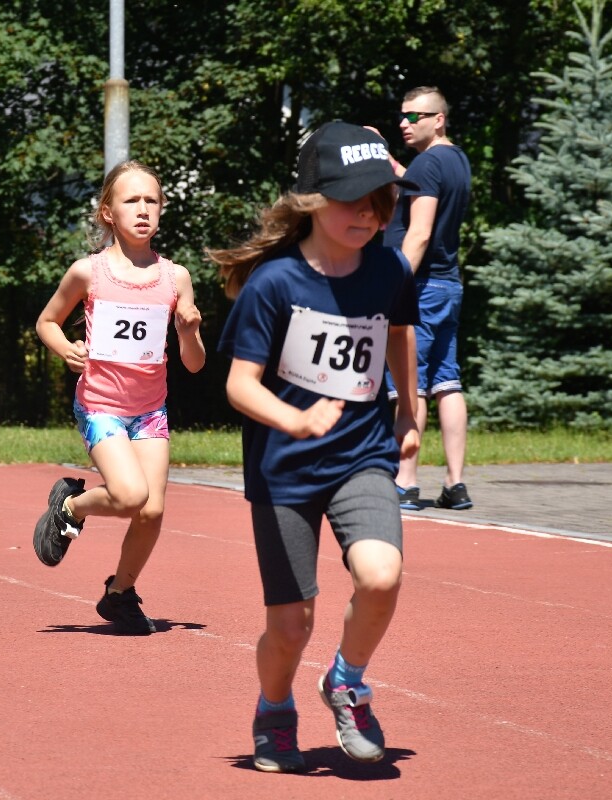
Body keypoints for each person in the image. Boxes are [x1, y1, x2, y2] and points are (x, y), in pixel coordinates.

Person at [210, 121, 421, 772]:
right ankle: (275, 711)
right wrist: (294, 421)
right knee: (291, 624)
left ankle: (348, 682)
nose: (368, 212)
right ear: (311, 200)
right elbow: (240, 387)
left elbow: (399, 333)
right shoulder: (275, 284)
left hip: (361, 454)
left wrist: (410, 412)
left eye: (381, 199)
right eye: (353, 198)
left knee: (381, 576)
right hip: (284, 468)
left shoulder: (387, 268)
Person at [32, 160, 206, 635]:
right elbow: (46, 322)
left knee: (151, 510)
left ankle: (119, 594)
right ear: (107, 212)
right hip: (101, 405)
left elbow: (193, 363)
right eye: (131, 200)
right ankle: (70, 506)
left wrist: (188, 332)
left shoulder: (176, 278)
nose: (143, 209)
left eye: (152, 200)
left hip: (150, 411)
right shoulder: (88, 272)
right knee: (130, 495)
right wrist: (67, 349)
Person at [383, 86, 474, 511]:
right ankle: (456, 485)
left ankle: (406, 482)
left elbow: (418, 231)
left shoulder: (428, 162)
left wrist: (395, 283)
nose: (405, 122)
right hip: (448, 285)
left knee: (410, 382)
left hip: (421, 288)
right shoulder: (454, 160)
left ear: (438, 119)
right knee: (447, 381)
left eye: (415, 116)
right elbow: (417, 189)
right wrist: (389, 164)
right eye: (402, 116)